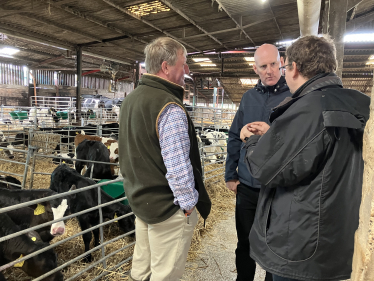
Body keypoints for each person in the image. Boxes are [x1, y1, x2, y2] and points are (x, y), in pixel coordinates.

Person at [240, 35, 370, 281]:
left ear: (294, 68)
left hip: (302, 240)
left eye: (282, 66)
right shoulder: (362, 104)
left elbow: (267, 167)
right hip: (341, 237)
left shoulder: (307, 108)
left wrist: (252, 141)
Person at [118, 37, 211, 281]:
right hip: (168, 208)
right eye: (184, 63)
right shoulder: (169, 106)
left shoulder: (130, 100)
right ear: (166, 67)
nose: (187, 70)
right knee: (165, 275)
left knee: (142, 271)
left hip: (141, 201)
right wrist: (188, 205)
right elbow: (178, 166)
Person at [225, 44, 291, 281]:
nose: (269, 70)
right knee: (245, 242)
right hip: (247, 185)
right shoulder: (248, 98)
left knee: (274, 245)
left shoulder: (293, 97)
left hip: (278, 188)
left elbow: (299, 140)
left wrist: (271, 132)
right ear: (255, 68)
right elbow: (234, 136)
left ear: (281, 61)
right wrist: (230, 175)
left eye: (273, 64)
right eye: (263, 66)